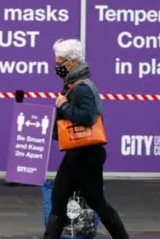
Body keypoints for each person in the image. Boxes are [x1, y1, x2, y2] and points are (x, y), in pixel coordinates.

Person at [45, 38, 129, 239]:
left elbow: (88, 117)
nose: (57, 66)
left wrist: (63, 105)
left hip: (87, 154)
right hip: (77, 154)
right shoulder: (75, 83)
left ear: (72, 62)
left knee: (96, 202)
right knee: (59, 200)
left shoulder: (81, 87)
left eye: (59, 62)